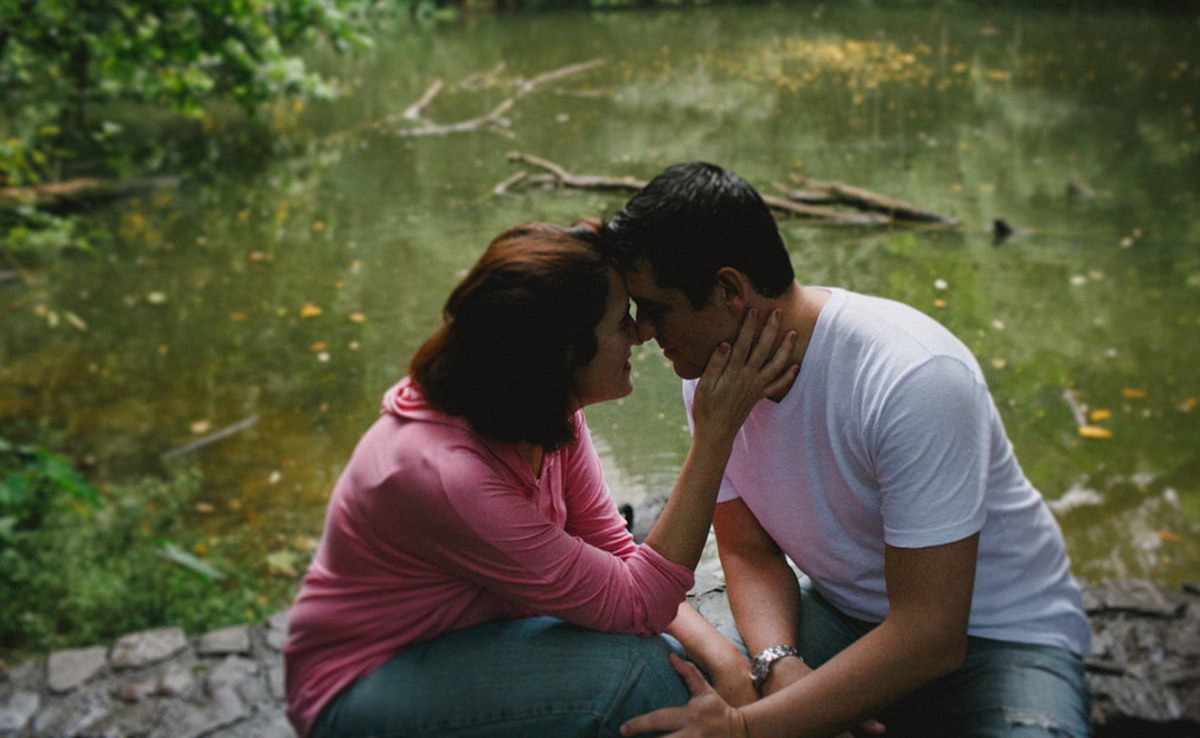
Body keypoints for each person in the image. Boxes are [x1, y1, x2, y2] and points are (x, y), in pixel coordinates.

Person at [602, 162, 1093, 738]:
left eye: (656, 308)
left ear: (729, 290)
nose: (641, 331)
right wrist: (779, 662)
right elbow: (748, 553)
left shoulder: (911, 377)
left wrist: (745, 728)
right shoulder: (714, 379)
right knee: (654, 673)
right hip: (844, 618)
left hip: (1001, 640)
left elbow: (931, 636)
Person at [283, 219, 798, 738]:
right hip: (360, 686)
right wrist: (714, 436)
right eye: (622, 321)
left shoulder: (545, 411)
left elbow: (620, 558)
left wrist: (732, 669)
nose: (642, 333)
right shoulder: (448, 475)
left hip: (473, 641)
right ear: (563, 354)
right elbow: (641, 602)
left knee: (686, 659)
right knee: (635, 671)